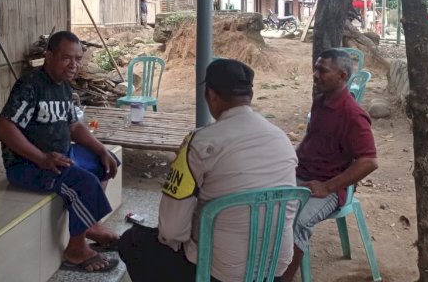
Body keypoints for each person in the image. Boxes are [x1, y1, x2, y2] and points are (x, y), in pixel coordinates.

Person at [118, 59, 298, 282]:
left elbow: (172, 231)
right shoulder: (281, 138)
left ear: (211, 95)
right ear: (249, 96)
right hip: (274, 270)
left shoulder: (200, 142)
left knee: (133, 241)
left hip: (217, 274)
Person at [0, 31, 121, 273]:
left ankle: (90, 224)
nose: (73, 65)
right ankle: (75, 250)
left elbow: (74, 125)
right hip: (27, 166)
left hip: (60, 157)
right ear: (49, 56)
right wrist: (41, 158)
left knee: (105, 162)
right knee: (82, 183)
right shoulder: (30, 85)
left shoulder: (63, 86)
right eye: (66, 58)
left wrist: (101, 149)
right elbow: (4, 127)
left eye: (78, 59)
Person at [280, 49, 378, 282]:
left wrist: (329, 186)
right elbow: (313, 139)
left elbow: (370, 161)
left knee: (299, 221)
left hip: (330, 187)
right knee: (264, 202)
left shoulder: (353, 115)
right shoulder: (320, 101)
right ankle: (267, 266)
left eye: (322, 70)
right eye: (315, 68)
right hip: (301, 175)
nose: (315, 74)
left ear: (343, 76)